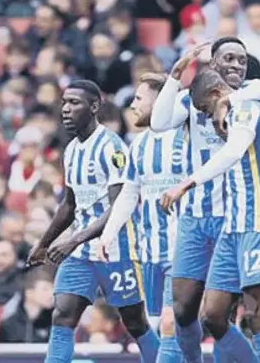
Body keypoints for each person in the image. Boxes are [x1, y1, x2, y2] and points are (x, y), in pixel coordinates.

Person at [150, 38, 260, 363]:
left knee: (226, 314)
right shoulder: (194, 99)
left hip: (236, 218)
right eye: (229, 59)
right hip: (196, 216)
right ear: (213, 64)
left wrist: (230, 99)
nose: (237, 66)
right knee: (183, 310)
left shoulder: (253, 95)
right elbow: (157, 123)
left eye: (242, 60)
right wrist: (175, 76)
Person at [26, 80, 159, 363]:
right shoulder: (72, 150)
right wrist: (44, 243)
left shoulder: (111, 147)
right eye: (64, 102)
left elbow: (119, 206)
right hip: (81, 254)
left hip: (117, 249)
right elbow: (70, 205)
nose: (65, 109)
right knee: (62, 315)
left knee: (135, 323)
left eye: (74, 103)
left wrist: (72, 239)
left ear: (95, 106)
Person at [98, 72, 184, 362]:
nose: (132, 105)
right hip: (149, 252)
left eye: (138, 98)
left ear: (160, 102)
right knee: (159, 327)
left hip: (184, 248)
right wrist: (108, 233)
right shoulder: (139, 143)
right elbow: (129, 193)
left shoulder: (186, 139)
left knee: (172, 325)